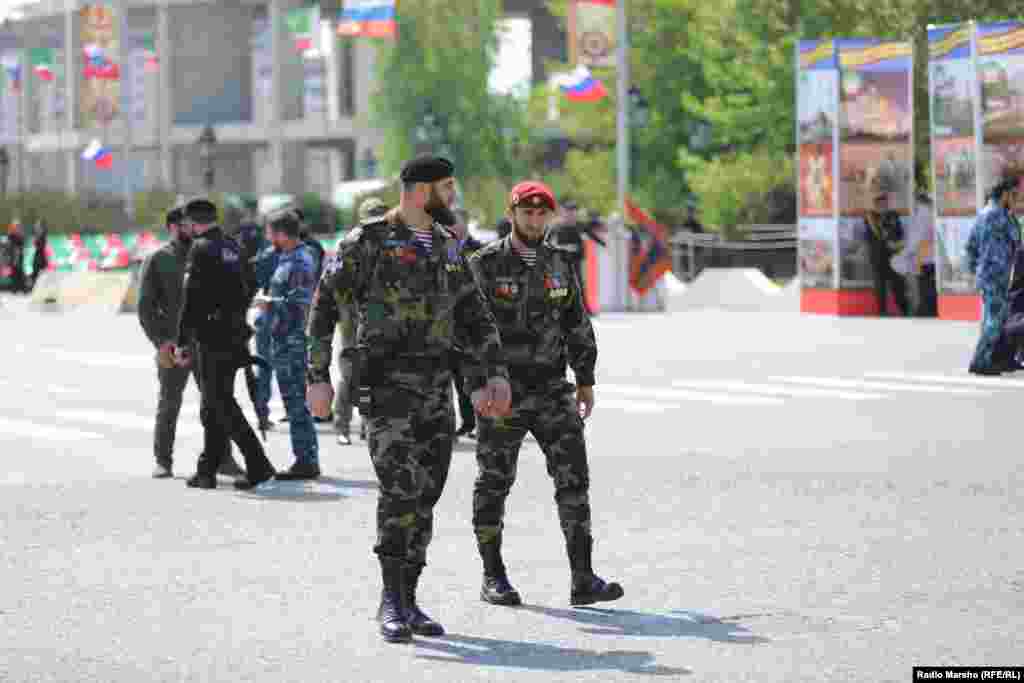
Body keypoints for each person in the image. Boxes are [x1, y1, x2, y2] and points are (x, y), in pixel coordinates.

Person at [305, 155, 512, 643]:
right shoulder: (368, 240)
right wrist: (317, 376)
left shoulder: (447, 245)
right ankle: (392, 600)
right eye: (447, 186)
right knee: (401, 489)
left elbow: (474, 315)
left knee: (427, 495)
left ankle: (411, 597)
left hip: (436, 389)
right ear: (420, 190)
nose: (453, 195)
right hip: (386, 388)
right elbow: (324, 304)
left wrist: (494, 374)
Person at [467, 180, 624, 609]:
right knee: (494, 482)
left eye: (542, 213)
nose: (535, 220)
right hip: (504, 392)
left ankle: (583, 577)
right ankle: (493, 575)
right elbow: (467, 331)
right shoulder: (484, 264)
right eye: (527, 212)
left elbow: (576, 322)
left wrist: (586, 379)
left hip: (553, 390)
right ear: (512, 214)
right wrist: (477, 385)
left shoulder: (559, 261)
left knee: (574, 481)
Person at [171, 197, 277, 490]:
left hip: (212, 336)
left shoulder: (200, 248)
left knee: (220, 403)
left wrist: (181, 341)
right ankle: (207, 469)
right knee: (214, 403)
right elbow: (251, 283)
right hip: (235, 333)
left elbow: (191, 299)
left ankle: (258, 464)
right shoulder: (233, 246)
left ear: (192, 222)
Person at [256, 208, 321, 480]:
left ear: (282, 234)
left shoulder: (299, 261)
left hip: (292, 341)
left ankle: (306, 461)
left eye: (270, 232)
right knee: (293, 401)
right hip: (282, 339)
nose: (268, 237)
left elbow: (300, 303)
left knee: (295, 402)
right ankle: (306, 458)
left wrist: (268, 303)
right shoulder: (286, 257)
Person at [334, 197, 389, 446]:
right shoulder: (350, 245)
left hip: (381, 318)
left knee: (377, 373)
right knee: (350, 372)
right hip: (353, 316)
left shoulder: (392, 243)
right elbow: (337, 285)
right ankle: (342, 425)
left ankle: (369, 424)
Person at [965, 172, 1023, 375]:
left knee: (995, 317)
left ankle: (995, 358)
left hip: (987, 274)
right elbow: (1017, 239)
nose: (1015, 200)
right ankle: (980, 361)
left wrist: (976, 269)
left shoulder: (983, 214)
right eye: (1013, 195)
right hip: (997, 276)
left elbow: (970, 246)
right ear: (1005, 194)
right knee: (994, 320)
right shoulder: (1000, 215)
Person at [450, 207, 487, 439]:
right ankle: (467, 421)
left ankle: (481, 422)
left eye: (456, 222)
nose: (453, 226)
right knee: (458, 378)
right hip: (452, 323)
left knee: (476, 376)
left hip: (474, 321)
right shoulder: (446, 249)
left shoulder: (479, 249)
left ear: (465, 223)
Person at [252, 221, 281, 433]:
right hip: (285, 318)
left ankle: (262, 414)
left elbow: (254, 282)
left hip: (270, 316)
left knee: (265, 368)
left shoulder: (267, 255)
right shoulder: (305, 252)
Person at [863, 190, 910, 316]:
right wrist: (887, 238)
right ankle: (882, 311)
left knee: (898, 284)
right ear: (876, 204)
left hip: (893, 256)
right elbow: (875, 235)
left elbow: (900, 233)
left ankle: (904, 309)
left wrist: (898, 243)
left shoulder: (893, 215)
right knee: (880, 286)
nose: (884, 205)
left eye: (885, 202)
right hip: (878, 257)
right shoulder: (870, 217)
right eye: (881, 203)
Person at [7, 222, 26, 294]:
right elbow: (10, 245)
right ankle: (16, 288)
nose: (15, 228)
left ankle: (22, 288)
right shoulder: (12, 235)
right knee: (15, 272)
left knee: (18, 271)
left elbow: (19, 247)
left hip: (18, 256)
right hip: (14, 255)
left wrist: (16, 257)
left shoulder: (19, 236)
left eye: (16, 227)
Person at [31, 220, 49, 289]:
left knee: (42, 274)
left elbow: (40, 245)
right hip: (38, 256)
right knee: (36, 274)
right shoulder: (37, 235)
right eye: (36, 227)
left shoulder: (42, 235)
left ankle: (41, 287)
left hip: (41, 257)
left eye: (38, 227)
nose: (36, 228)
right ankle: (35, 287)